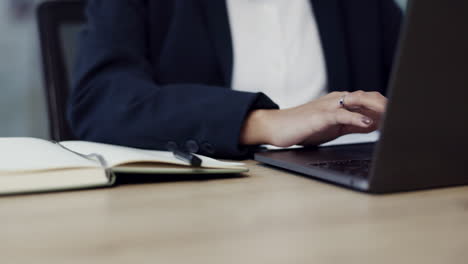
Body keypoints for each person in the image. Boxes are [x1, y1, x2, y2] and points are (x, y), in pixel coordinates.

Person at [69, 0, 402, 159]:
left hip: (344, 195)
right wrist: (263, 123)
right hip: (200, 210)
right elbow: (101, 100)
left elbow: (423, 89)